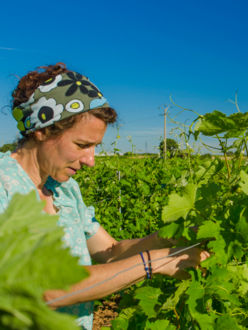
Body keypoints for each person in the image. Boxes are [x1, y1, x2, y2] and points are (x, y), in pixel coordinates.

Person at [0, 63, 209, 330]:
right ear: (42, 130)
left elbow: (110, 252)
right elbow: (44, 289)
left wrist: (169, 237)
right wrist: (154, 262)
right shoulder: (4, 187)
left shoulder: (63, 189)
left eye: (95, 147)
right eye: (82, 145)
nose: (91, 161)